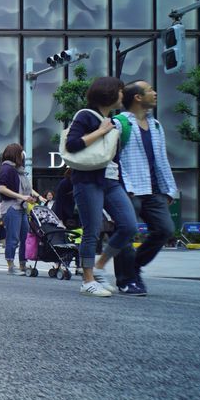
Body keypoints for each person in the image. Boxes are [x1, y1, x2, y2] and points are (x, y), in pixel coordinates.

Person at [64, 75, 139, 297]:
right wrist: (101, 131)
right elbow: (73, 144)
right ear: (108, 93)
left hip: (112, 180)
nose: (122, 95)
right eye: (120, 90)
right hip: (88, 180)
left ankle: (99, 266)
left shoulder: (113, 120)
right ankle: (87, 280)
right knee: (92, 230)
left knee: (129, 225)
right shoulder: (85, 116)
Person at [116, 80, 178, 296]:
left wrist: (169, 188)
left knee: (165, 229)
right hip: (128, 188)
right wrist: (124, 186)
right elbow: (115, 158)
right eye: (150, 90)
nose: (155, 92)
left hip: (154, 189)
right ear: (138, 98)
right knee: (126, 231)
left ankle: (134, 266)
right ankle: (126, 280)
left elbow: (161, 159)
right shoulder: (120, 123)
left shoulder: (156, 125)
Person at [0, 143, 39, 276]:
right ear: (15, 153)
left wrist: (37, 196)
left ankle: (22, 264)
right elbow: (2, 188)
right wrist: (22, 197)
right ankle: (11, 266)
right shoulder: (7, 169)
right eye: (21, 152)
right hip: (11, 207)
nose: (22, 155)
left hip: (21, 207)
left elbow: (26, 188)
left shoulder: (18, 170)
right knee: (13, 238)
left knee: (25, 237)